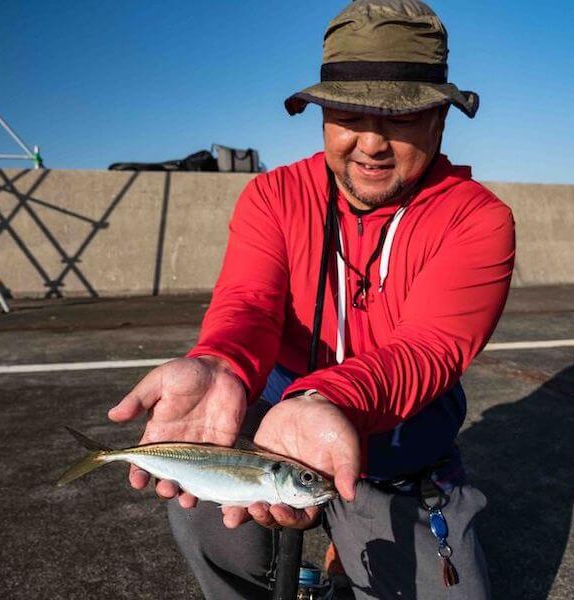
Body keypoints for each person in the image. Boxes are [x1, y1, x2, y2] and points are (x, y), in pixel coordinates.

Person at [109, 1, 515, 598]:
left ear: (440, 121)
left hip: (400, 449)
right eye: (349, 114)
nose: (371, 143)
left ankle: (347, 545)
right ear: (322, 114)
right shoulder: (273, 195)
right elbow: (248, 303)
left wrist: (328, 399)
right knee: (204, 517)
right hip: (273, 431)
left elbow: (430, 347)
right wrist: (218, 362)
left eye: (400, 119)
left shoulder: (477, 219)